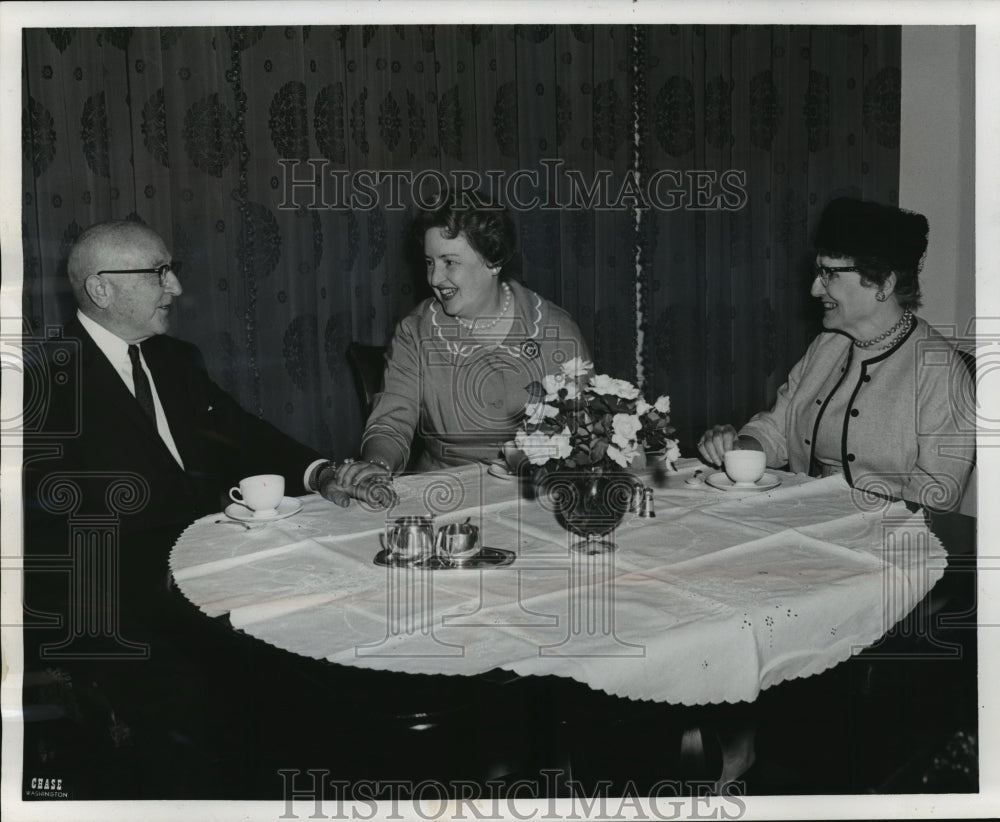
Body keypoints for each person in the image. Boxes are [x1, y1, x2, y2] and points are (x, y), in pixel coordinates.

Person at [18, 220, 361, 797]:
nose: (175, 287)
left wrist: (320, 472)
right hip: (117, 605)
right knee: (229, 692)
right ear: (101, 289)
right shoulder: (42, 383)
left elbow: (241, 433)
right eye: (158, 273)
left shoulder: (177, 358)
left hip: (211, 569)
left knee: (330, 624)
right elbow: (50, 534)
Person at [697, 197, 974, 512]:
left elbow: (937, 497)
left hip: (887, 539)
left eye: (830, 274)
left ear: (883, 282)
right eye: (819, 272)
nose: (815, 289)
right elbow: (777, 427)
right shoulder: (827, 346)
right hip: (807, 518)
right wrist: (737, 448)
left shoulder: (941, 372)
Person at [334, 191, 591, 495]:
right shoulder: (416, 331)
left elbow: (585, 432)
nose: (435, 278)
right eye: (429, 262)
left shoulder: (554, 329)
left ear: (493, 260)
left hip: (534, 495)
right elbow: (392, 419)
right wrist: (378, 463)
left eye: (449, 262)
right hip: (443, 494)